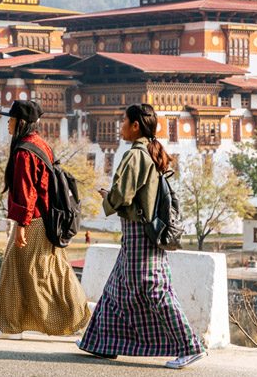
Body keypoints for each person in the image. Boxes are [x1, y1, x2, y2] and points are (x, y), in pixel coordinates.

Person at [77, 103, 205, 369]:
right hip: (139, 231)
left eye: (124, 121)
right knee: (116, 288)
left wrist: (108, 198)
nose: (120, 126)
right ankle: (101, 343)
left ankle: (190, 346)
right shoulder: (148, 151)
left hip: (139, 232)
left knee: (153, 288)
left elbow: (123, 193)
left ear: (136, 125)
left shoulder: (136, 154)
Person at [0, 100, 91, 340]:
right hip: (48, 218)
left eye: (10, 119)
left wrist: (21, 225)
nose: (7, 124)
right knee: (53, 270)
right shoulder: (40, 144)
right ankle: (77, 319)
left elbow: (26, 191)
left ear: (20, 122)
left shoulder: (24, 152)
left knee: (14, 270)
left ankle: (9, 327)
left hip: (34, 221)